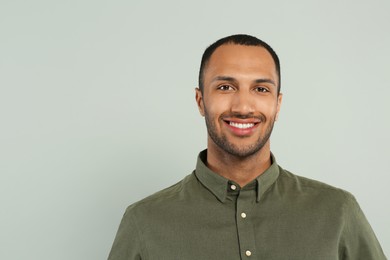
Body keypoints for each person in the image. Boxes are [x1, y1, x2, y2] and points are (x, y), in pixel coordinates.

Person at [108, 34, 386, 259]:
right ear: (200, 101)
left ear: (277, 104)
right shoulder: (144, 221)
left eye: (261, 89)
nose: (243, 107)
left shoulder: (338, 212)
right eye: (226, 87)